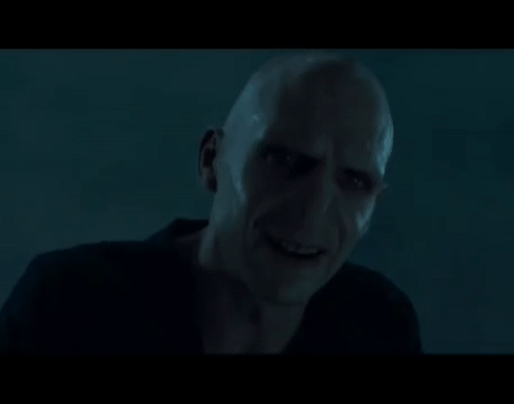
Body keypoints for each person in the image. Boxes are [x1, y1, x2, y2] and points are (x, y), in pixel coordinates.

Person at [0, 53, 422, 354]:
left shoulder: (380, 325)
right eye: (285, 161)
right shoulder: (69, 307)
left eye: (355, 181)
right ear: (211, 160)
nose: (314, 209)